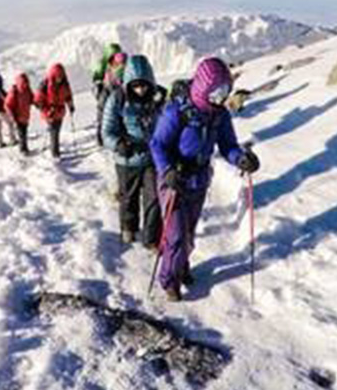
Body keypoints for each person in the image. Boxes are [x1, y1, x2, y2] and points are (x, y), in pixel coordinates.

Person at [150, 57, 261, 302]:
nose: (221, 98)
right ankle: (169, 280)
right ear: (203, 87)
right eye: (217, 92)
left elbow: (228, 145)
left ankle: (181, 265)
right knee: (176, 234)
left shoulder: (219, 115)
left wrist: (241, 159)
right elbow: (157, 144)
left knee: (188, 232)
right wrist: (167, 170)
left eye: (225, 91)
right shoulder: (177, 112)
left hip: (199, 180)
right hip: (174, 179)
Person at [102, 55, 166, 246]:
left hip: (151, 159)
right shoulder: (118, 99)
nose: (140, 89)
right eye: (136, 85)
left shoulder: (157, 99)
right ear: (128, 83)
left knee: (154, 199)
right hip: (126, 160)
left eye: (144, 85)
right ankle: (128, 228)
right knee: (128, 199)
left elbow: (168, 124)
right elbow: (106, 131)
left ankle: (151, 238)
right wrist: (118, 144)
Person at [35, 63, 75, 158]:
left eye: (61, 76)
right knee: (54, 132)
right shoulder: (45, 84)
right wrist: (45, 110)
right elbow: (38, 100)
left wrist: (71, 106)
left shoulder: (64, 83)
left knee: (56, 131)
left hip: (60, 112)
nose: (59, 79)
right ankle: (55, 153)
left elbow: (68, 96)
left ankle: (55, 150)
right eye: (58, 76)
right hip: (50, 112)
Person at [92, 43, 123, 146]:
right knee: (103, 113)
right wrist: (99, 87)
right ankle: (101, 136)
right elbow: (96, 78)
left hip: (115, 90)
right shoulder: (103, 65)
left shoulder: (119, 65)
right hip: (106, 90)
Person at [4, 73, 36, 155]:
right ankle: (23, 150)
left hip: (25, 116)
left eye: (26, 82)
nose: (26, 84)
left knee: (24, 132)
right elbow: (8, 104)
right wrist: (11, 116)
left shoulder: (28, 90)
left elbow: (32, 99)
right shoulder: (14, 91)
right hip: (17, 116)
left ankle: (25, 148)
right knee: (21, 133)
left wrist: (38, 103)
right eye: (24, 83)